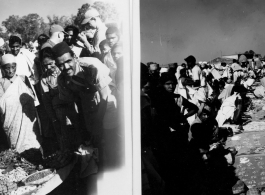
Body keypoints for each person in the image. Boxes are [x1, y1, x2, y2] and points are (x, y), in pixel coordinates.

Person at [52, 42, 120, 166]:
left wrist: (98, 124)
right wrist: (80, 128)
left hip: (108, 99)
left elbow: (105, 96)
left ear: (75, 58)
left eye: (68, 61)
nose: (66, 67)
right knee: (93, 140)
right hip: (89, 103)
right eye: (60, 65)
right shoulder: (62, 80)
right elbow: (71, 105)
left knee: (109, 139)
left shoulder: (92, 67)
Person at [152, 72, 198, 194]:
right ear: (162, 85)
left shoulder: (178, 97)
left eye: (173, 84)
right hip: (166, 135)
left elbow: (195, 108)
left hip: (177, 133)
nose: (171, 86)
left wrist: (184, 117)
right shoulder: (158, 99)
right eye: (168, 84)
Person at [39, 47, 80, 152]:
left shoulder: (65, 71)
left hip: (73, 107)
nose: (49, 67)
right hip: (58, 111)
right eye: (45, 65)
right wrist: (53, 118)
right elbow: (46, 101)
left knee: (78, 131)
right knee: (64, 136)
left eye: (51, 63)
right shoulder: (44, 79)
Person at [0, 54, 41, 153]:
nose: (10, 71)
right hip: (11, 124)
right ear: (2, 69)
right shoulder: (0, 83)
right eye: (7, 68)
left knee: (33, 148)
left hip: (28, 125)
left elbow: (33, 100)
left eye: (13, 67)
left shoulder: (23, 79)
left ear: (16, 67)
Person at [103, 27, 121, 94]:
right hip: (115, 89)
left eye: (113, 38)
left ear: (118, 37)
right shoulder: (106, 57)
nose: (110, 41)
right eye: (108, 38)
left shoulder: (125, 51)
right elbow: (107, 75)